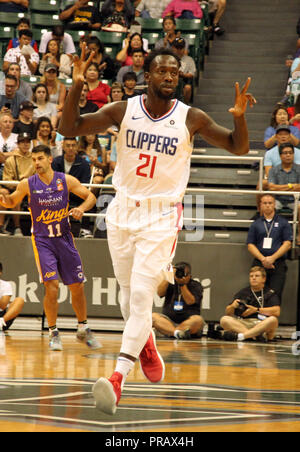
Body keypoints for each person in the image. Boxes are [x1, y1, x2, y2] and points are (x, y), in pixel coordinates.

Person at [58, 45, 255, 415]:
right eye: (162, 71)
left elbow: (238, 147)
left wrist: (240, 118)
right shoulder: (124, 109)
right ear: (146, 76)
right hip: (121, 210)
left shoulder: (190, 117)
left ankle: (117, 377)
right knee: (129, 294)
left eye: (175, 73)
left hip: (162, 215)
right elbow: (70, 127)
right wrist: (76, 85)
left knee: (141, 296)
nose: (169, 77)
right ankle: (145, 340)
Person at [0, 144, 101, 351]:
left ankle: (83, 328)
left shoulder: (65, 180)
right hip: (43, 240)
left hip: (64, 238)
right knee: (51, 286)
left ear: (49, 160)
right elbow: (12, 202)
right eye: (34, 159)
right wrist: (5, 199)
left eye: (39, 159)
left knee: (78, 286)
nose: (36, 163)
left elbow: (91, 197)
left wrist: (80, 209)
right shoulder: (28, 184)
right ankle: (54, 332)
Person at [247, 194, 293, 300]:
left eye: (270, 203)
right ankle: (257, 315)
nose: (267, 205)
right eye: (265, 203)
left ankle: (272, 316)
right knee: (257, 292)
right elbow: (250, 245)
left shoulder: (283, 222)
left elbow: (287, 244)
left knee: (275, 293)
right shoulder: (256, 224)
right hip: (259, 262)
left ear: (274, 205)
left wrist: (272, 258)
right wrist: (263, 259)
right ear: (260, 205)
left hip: (277, 262)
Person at [219, 266, 280, 343]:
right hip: (244, 323)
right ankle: (255, 336)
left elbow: (277, 311)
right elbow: (228, 313)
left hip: (262, 323)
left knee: (273, 320)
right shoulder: (243, 292)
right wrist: (232, 306)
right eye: (251, 276)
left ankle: (242, 336)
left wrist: (256, 310)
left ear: (263, 279)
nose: (253, 278)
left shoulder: (269, 292)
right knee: (224, 319)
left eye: (257, 276)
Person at [51, 136, 93, 237]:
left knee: (89, 198)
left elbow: (85, 183)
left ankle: (85, 229)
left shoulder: (84, 164)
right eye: (68, 145)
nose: (70, 148)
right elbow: (52, 181)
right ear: (63, 147)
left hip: (76, 195)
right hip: (58, 194)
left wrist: (71, 189)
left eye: (73, 145)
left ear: (77, 147)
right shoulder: (55, 162)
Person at [152, 261, 204, 339]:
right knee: (153, 316)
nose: (180, 275)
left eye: (183, 273)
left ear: (189, 276)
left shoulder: (195, 285)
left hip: (188, 322)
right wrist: (169, 276)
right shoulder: (170, 283)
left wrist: (182, 285)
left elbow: (190, 301)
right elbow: (160, 293)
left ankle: (172, 332)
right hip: (169, 322)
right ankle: (177, 333)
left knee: (198, 320)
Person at [2, 132, 34, 236]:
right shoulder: (11, 160)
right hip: (16, 188)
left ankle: (40, 227)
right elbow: (7, 180)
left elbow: (40, 176)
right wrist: (20, 184)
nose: (25, 144)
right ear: (18, 144)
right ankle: (17, 227)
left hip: (32, 188)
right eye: (22, 142)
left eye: (28, 142)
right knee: (16, 196)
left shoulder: (35, 159)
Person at [267, 143, 300, 244]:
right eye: (285, 153)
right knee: (267, 206)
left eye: (290, 153)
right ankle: (268, 234)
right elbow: (271, 187)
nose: (288, 155)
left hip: (295, 199)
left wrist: (280, 188)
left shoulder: (299, 169)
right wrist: (291, 186)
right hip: (278, 199)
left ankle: (299, 235)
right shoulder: (273, 170)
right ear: (280, 155)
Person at [0, 261, 25, 332]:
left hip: (2, 317)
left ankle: (1, 323)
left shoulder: (6, 285)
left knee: (19, 300)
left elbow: (3, 305)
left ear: (0, 272)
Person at [171, 37, 196, 104]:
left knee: (188, 87)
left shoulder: (189, 59)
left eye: (181, 48)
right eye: (177, 48)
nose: (179, 50)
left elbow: (192, 73)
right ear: (173, 48)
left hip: (183, 80)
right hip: (170, 79)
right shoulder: (169, 58)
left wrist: (183, 75)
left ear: (184, 48)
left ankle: (185, 105)